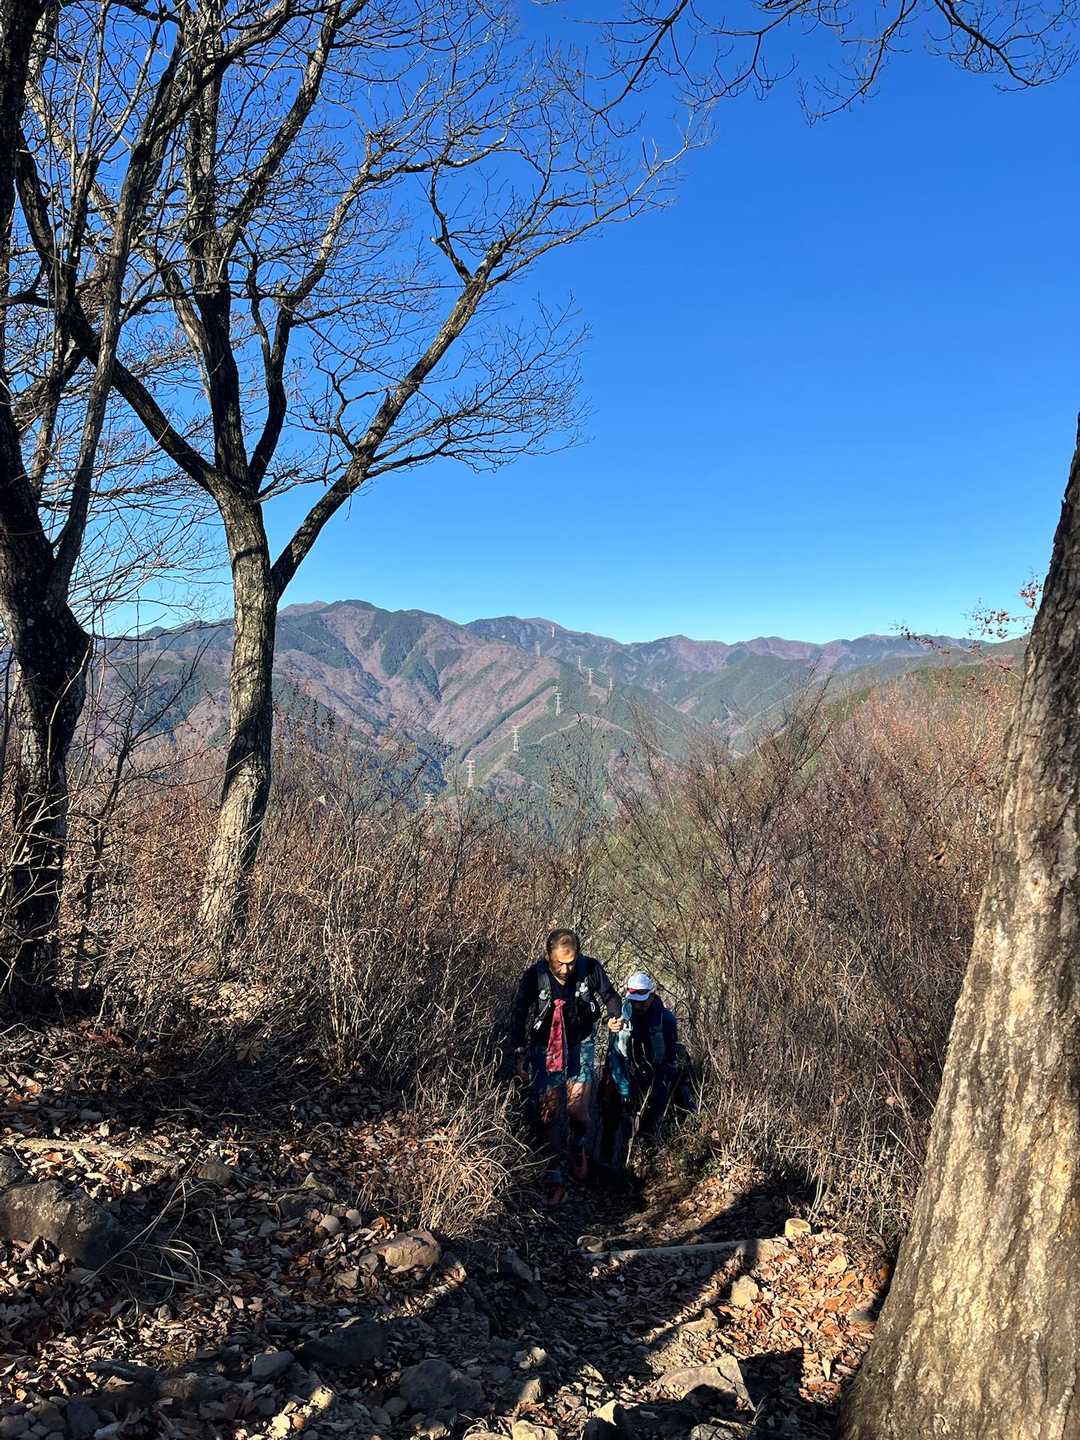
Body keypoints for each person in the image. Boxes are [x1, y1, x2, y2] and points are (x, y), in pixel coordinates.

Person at [510, 928, 622, 1204]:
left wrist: (614, 1016)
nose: (566, 969)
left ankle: (578, 1143)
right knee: (548, 1112)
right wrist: (519, 1051)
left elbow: (610, 996)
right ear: (548, 955)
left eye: (571, 962)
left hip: (581, 1042)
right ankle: (554, 1172)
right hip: (545, 1046)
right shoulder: (535, 976)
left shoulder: (590, 968)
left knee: (578, 1109)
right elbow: (519, 1012)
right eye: (560, 963)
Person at [598, 972, 686, 1174]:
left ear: (652, 996)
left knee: (652, 1114)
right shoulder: (619, 1018)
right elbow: (615, 1055)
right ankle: (605, 1158)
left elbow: (669, 1058)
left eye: (642, 1002)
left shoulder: (666, 1020)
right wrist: (623, 1087)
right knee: (611, 1108)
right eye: (634, 1001)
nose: (638, 1006)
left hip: (653, 1073)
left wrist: (659, 1085)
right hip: (624, 1070)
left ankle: (646, 1158)